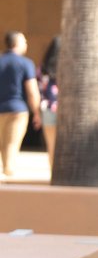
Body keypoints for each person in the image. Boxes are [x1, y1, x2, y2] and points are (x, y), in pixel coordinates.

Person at [0, 31, 41, 179]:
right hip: (17, 110)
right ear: (17, 43)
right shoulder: (26, 63)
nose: (26, 44)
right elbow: (32, 90)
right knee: (11, 144)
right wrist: (37, 112)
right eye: (24, 41)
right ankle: (8, 174)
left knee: (3, 143)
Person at [37, 35, 60, 167]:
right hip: (67, 108)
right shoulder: (71, 65)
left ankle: (54, 172)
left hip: (48, 108)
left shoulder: (43, 69)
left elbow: (39, 88)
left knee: (51, 146)